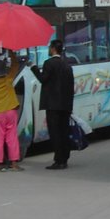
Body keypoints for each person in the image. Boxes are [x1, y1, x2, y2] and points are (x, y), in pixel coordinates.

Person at [31, 39, 75, 170]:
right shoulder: (67, 65)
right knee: (64, 131)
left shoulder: (49, 63)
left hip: (52, 105)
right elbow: (71, 86)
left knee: (55, 132)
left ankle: (58, 160)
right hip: (65, 105)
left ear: (53, 49)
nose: (49, 50)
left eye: (50, 48)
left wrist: (33, 68)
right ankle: (65, 158)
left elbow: (42, 79)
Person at [0, 51, 23, 172]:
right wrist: (11, 52)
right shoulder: (8, 78)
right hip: (11, 111)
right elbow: (15, 65)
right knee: (12, 138)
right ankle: (14, 164)